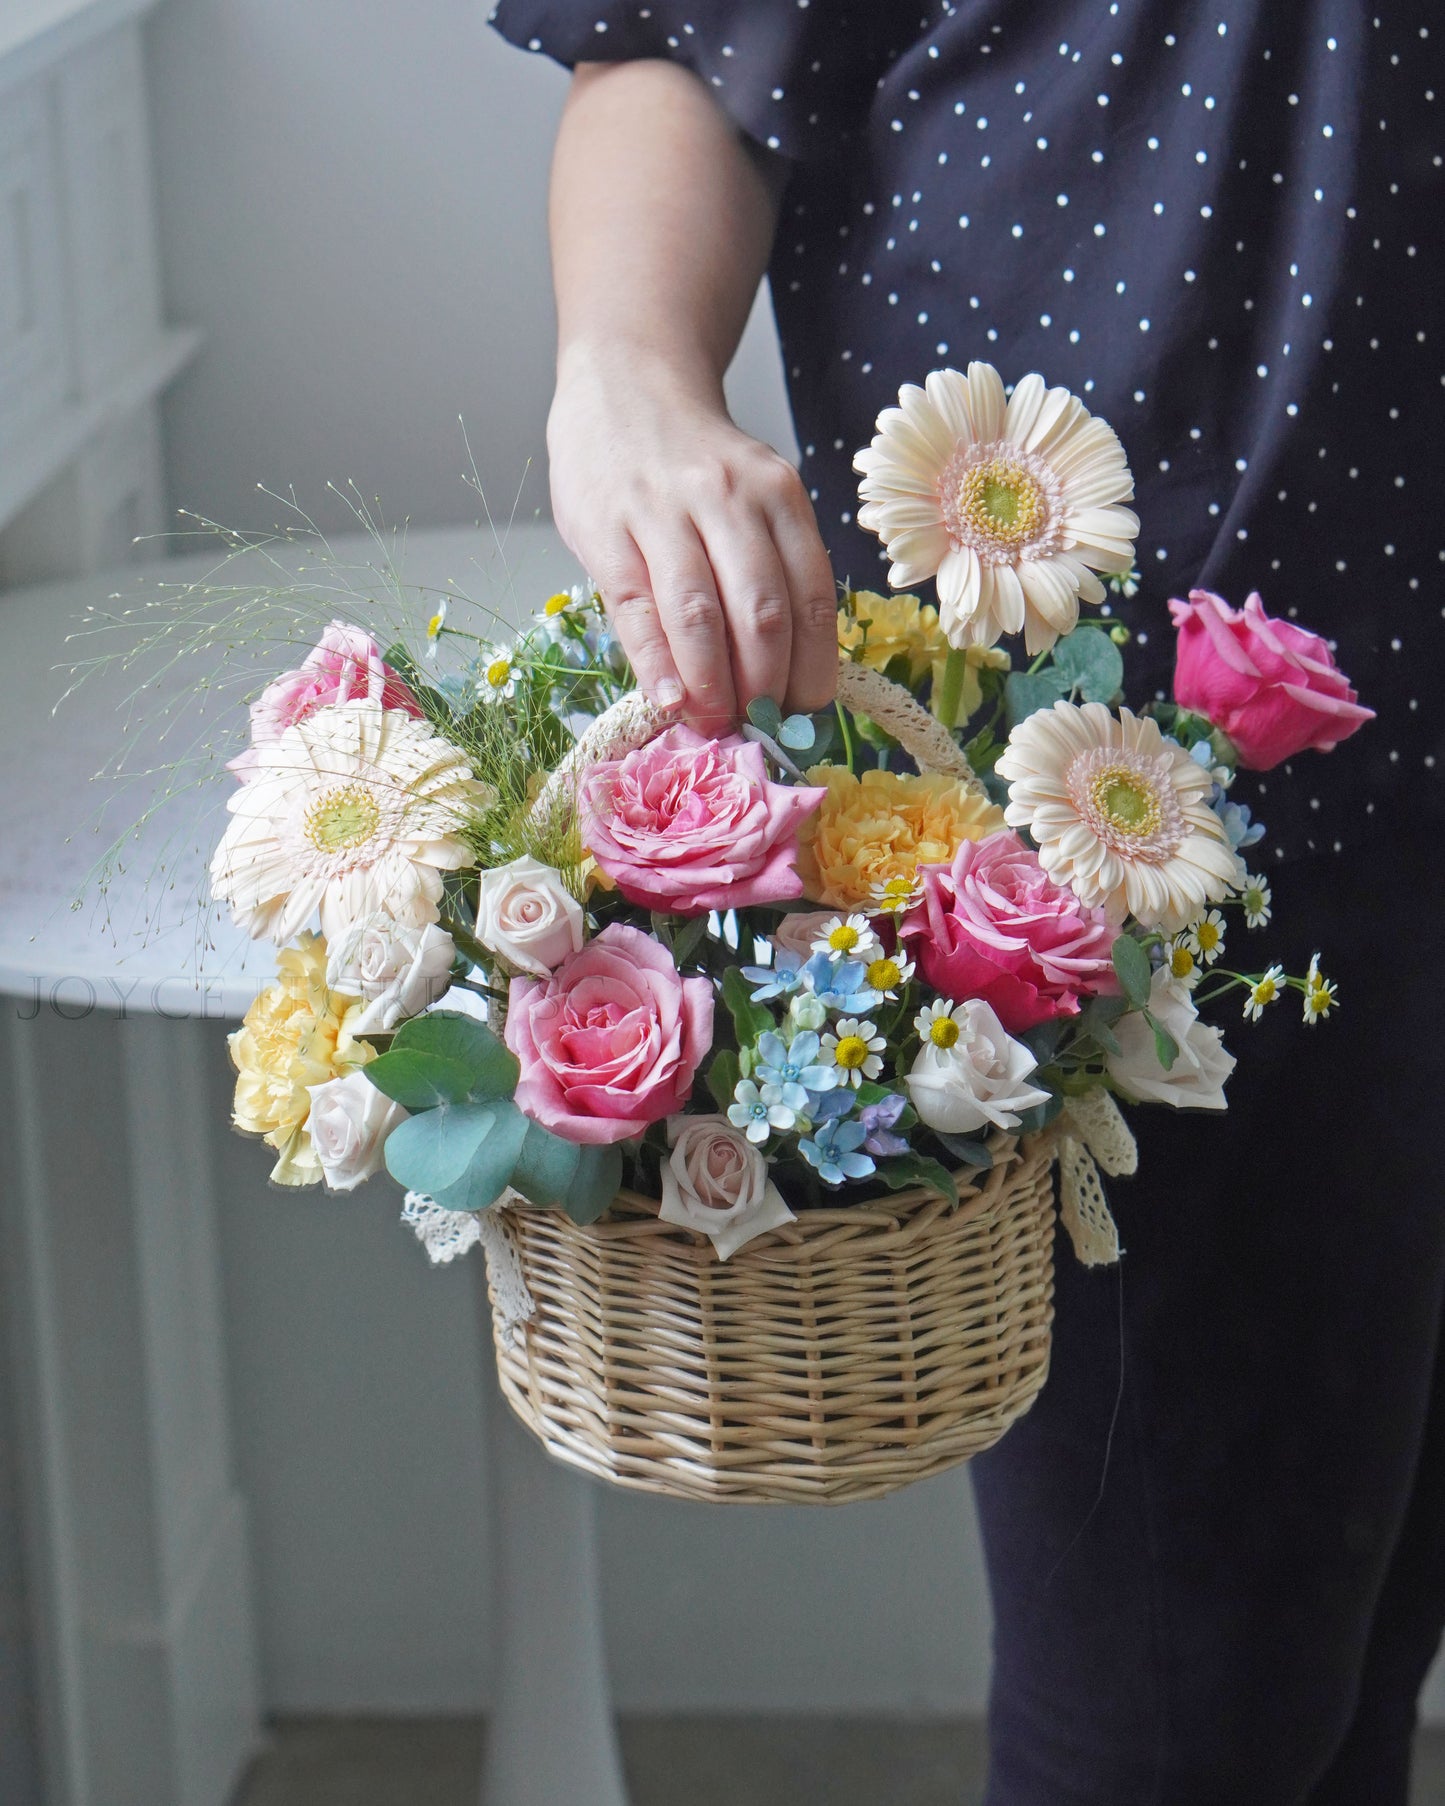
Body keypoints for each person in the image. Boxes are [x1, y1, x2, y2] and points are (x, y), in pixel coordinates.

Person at [488, 6, 1445, 1800]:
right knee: (1175, 1717)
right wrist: (625, 369)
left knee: (1349, 1650)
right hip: (1143, 794)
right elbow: (678, 48)